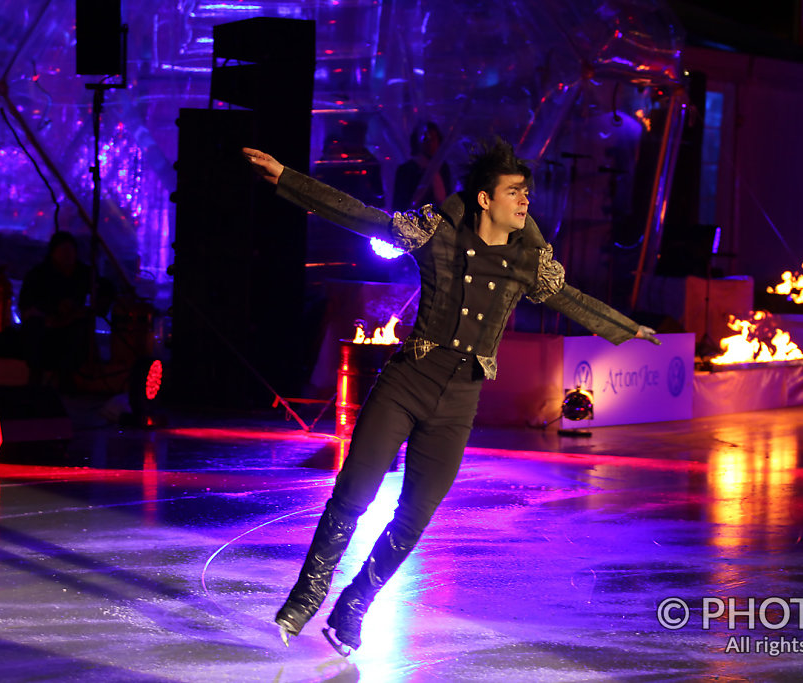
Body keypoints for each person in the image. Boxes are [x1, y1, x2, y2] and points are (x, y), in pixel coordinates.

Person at [243, 139, 658, 656]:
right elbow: (362, 216)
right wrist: (287, 177)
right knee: (352, 496)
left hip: (459, 403)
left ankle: (354, 606)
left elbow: (569, 299)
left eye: (527, 193)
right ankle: (307, 595)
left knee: (414, 517)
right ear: (486, 199)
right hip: (406, 383)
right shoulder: (437, 233)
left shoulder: (528, 261)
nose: (525, 203)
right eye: (514, 193)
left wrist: (626, 327)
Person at [17, 231, 96, 388]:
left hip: (72, 325)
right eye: (63, 251)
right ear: (53, 253)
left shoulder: (84, 274)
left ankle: (67, 375)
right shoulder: (38, 275)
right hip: (44, 324)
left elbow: (101, 294)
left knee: (79, 330)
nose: (67, 256)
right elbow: (26, 304)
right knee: (34, 329)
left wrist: (77, 312)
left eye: (70, 251)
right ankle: (36, 374)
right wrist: (49, 312)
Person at [392, 121, 452, 212]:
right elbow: (399, 205)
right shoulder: (405, 170)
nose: (430, 143)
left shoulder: (443, 168)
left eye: (433, 139)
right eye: (426, 139)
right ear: (417, 142)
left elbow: (445, 201)